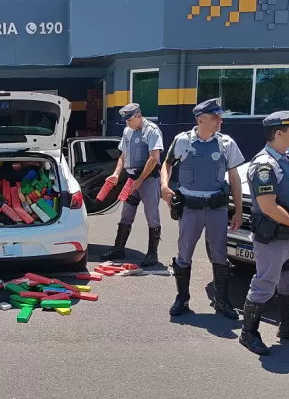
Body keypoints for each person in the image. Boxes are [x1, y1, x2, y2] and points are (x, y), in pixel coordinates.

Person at [239, 110, 289, 356]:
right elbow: (268, 207)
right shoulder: (265, 165)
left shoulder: (286, 160)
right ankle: (248, 333)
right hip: (274, 237)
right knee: (264, 285)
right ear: (278, 133)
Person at [160, 97, 245, 319]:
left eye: (220, 116)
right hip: (191, 208)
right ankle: (182, 299)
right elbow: (167, 164)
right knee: (184, 252)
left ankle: (222, 301)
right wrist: (164, 186)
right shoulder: (183, 141)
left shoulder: (227, 144)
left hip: (217, 208)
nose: (220, 121)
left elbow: (235, 179)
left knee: (219, 254)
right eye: (215, 117)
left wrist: (237, 210)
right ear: (201, 119)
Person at [100, 103, 164, 268]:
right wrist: (116, 174)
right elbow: (123, 155)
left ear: (139, 115)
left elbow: (154, 158)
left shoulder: (151, 130)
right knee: (126, 214)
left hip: (148, 180)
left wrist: (140, 181)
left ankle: (152, 254)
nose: (127, 122)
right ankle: (118, 249)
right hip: (131, 179)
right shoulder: (127, 131)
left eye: (130, 119)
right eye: (126, 120)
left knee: (152, 216)